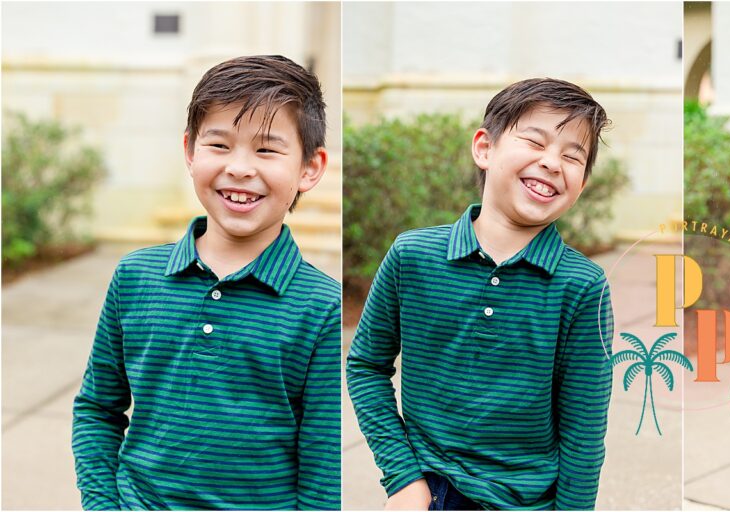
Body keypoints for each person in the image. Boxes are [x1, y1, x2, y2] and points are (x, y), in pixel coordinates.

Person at [72, 55, 341, 510]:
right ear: (190, 151)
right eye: (219, 144)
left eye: (267, 149)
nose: (239, 167)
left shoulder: (321, 307)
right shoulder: (135, 277)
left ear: (309, 169)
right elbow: (98, 409)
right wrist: (102, 504)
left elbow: (323, 472)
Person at [347, 78, 615, 510]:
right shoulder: (412, 255)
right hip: (426, 490)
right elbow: (366, 366)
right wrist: (403, 477)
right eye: (535, 141)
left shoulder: (582, 286)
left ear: (581, 184)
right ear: (484, 148)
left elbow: (583, 429)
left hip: (524, 501)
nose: (552, 163)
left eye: (572, 156)